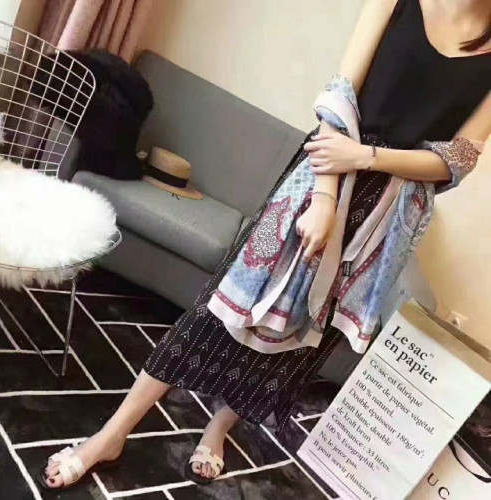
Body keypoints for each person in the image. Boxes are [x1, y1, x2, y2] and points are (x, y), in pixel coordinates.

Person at [39, 0, 491, 489]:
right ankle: (111, 435)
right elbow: (339, 98)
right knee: (217, 314)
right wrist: (324, 196)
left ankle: (218, 428)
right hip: (320, 178)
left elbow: (457, 160)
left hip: (387, 220)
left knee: (295, 342)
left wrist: (365, 156)